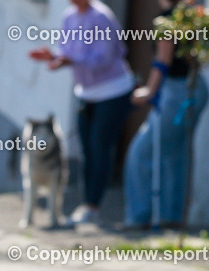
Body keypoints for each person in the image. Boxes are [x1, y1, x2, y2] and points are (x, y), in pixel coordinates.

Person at [29, 0, 134, 224]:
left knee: (100, 146)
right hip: (86, 92)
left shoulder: (101, 17)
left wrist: (69, 60)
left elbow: (103, 59)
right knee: (86, 148)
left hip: (113, 90)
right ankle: (87, 205)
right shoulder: (69, 16)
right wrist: (54, 56)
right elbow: (67, 51)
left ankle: (93, 206)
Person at [123, 0, 209, 230]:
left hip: (177, 91)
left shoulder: (168, 19)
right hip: (196, 88)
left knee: (141, 154)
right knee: (175, 155)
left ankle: (139, 218)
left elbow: (163, 59)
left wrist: (149, 90)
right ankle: (171, 218)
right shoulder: (193, 16)